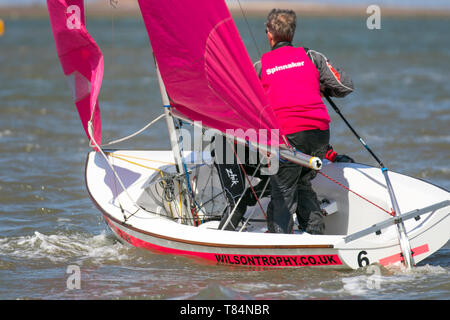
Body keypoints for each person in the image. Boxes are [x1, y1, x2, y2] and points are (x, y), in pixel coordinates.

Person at [253, 8, 354, 234]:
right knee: (302, 184)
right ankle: (316, 240)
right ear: (292, 33)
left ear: (269, 34)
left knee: (283, 193)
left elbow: (244, 104)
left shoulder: (260, 67)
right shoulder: (312, 57)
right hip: (319, 134)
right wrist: (318, 83)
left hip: (288, 138)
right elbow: (345, 86)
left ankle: (279, 253)